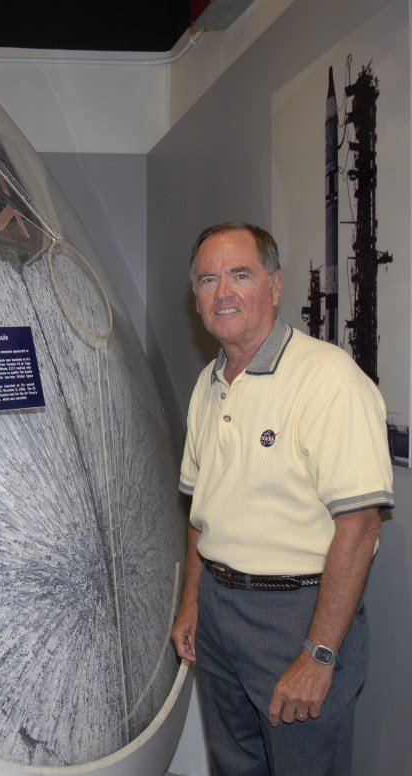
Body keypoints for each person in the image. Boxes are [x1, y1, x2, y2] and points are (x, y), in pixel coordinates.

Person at [170, 221, 393, 775]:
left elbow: (360, 527)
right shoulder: (209, 383)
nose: (223, 293)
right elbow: (202, 510)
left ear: (273, 284)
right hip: (220, 612)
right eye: (208, 279)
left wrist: (319, 653)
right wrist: (194, 602)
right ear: (195, 296)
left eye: (239, 275)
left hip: (297, 618)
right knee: (233, 764)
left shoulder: (328, 380)